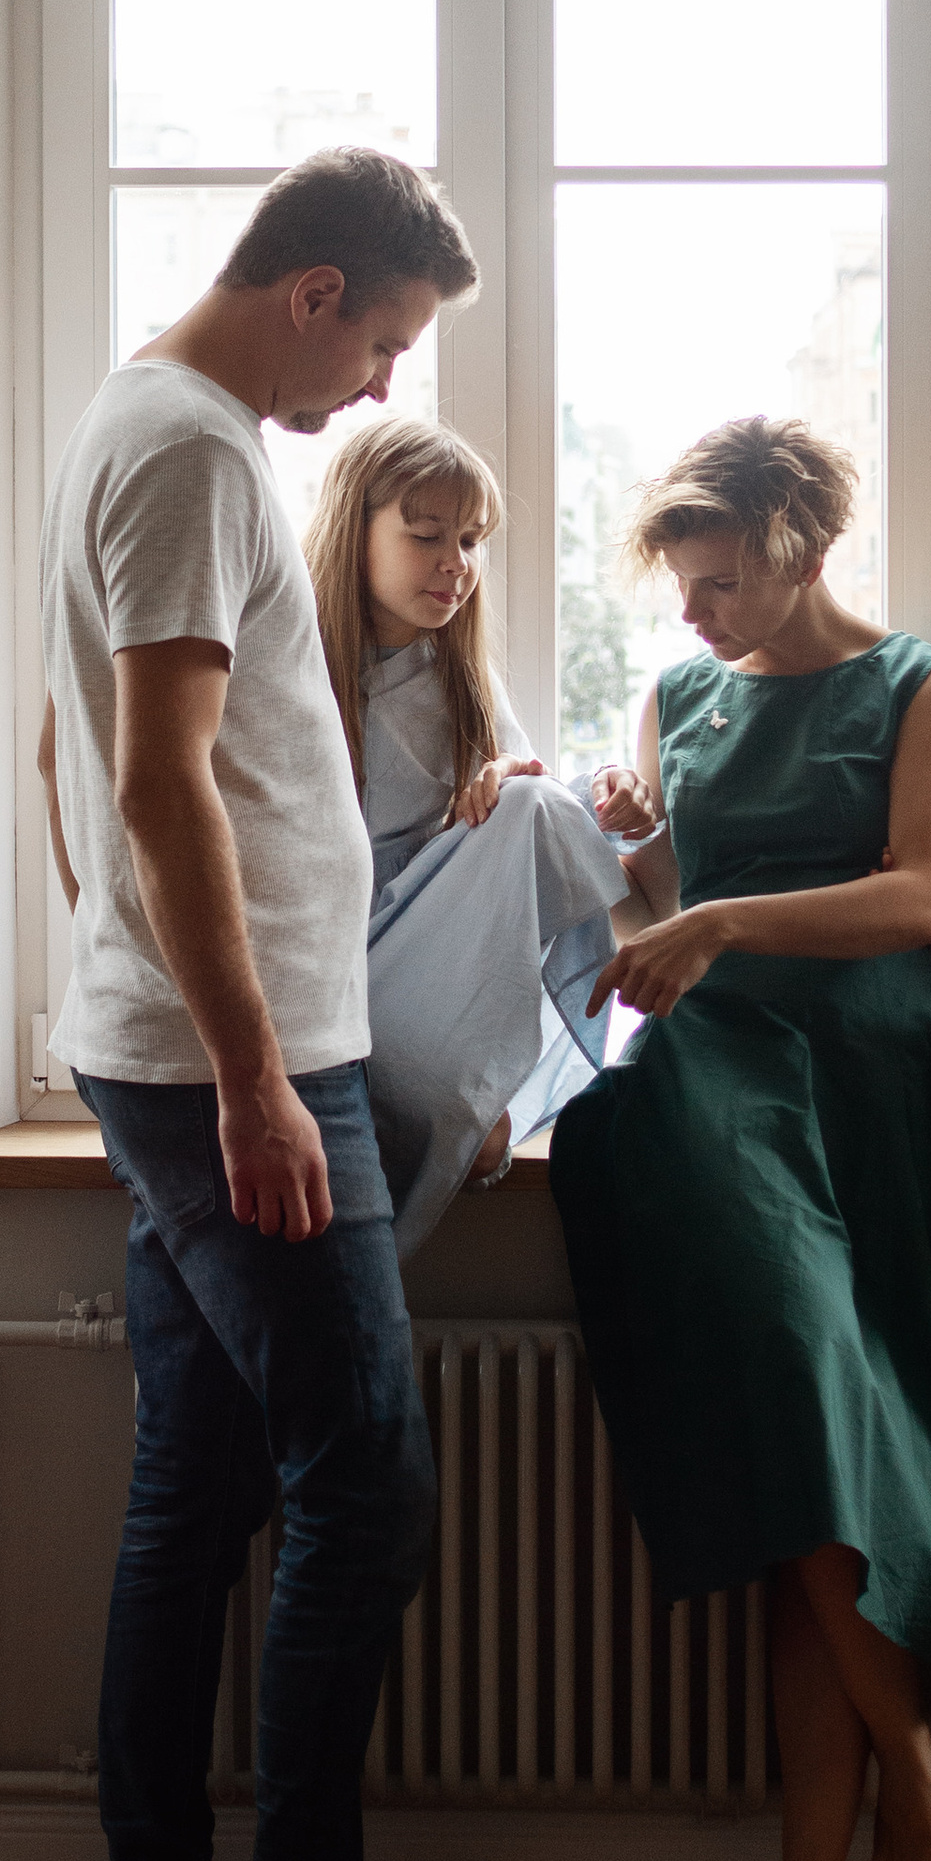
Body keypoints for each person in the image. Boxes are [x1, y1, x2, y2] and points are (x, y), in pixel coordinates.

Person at [37, 144, 501, 1861]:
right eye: (384, 341)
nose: (382, 390)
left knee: (201, 1489)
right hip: (230, 1063)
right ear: (310, 290)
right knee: (365, 1492)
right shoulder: (195, 451)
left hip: (196, 1040)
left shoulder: (146, 423)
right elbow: (157, 785)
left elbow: (111, 762)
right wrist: (246, 1071)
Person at [551, 417, 931, 1861]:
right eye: (682, 590)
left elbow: (928, 903)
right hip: (717, 1087)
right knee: (793, 1398)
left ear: (799, 541)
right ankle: (906, 1767)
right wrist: (627, 849)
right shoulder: (677, 695)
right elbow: (645, 926)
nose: (696, 615)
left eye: (721, 582)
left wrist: (711, 915)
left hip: (862, 1089)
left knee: (822, 1479)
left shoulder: (924, 685)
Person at [304, 417, 631, 1257]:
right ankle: (447, 1102)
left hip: (422, 959)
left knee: (537, 804)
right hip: (322, 962)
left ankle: (489, 1091)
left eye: (474, 541)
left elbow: (527, 833)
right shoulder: (289, 666)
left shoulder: (461, 679)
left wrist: (501, 784)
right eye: (426, 536)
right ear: (356, 530)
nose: (457, 564)